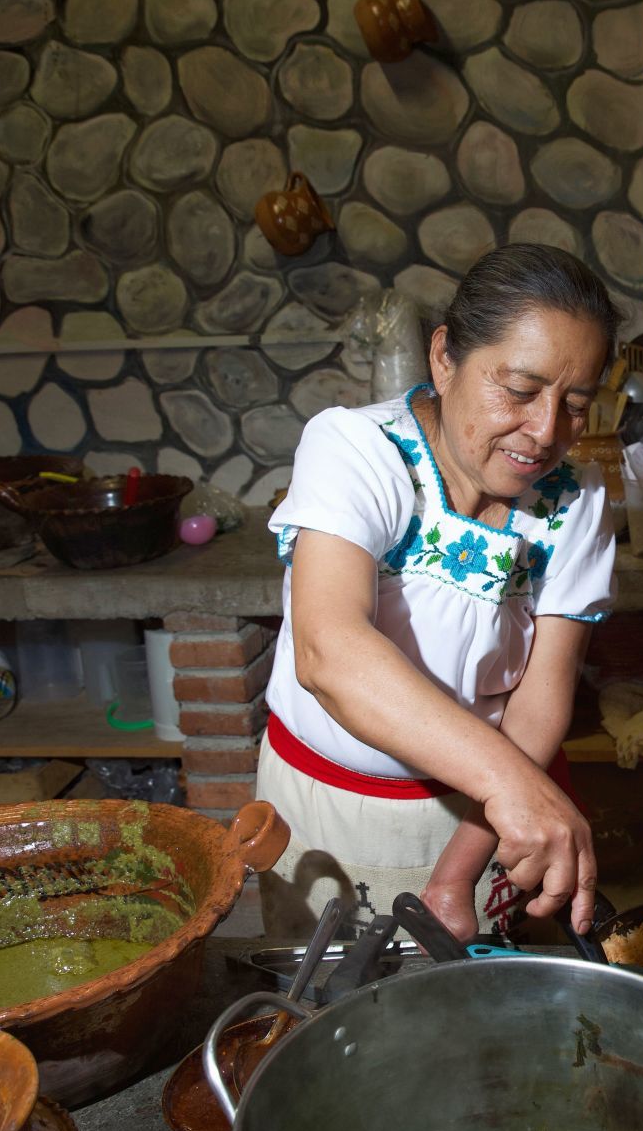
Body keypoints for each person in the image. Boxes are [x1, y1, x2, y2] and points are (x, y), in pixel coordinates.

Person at [260, 245, 618, 940]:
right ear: (445, 357)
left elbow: (541, 697)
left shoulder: (576, 501)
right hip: (330, 808)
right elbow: (328, 651)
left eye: (575, 404)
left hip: (476, 820)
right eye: (518, 390)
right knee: (329, 1014)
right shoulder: (359, 450)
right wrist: (513, 785)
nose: (546, 431)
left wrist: (458, 871)